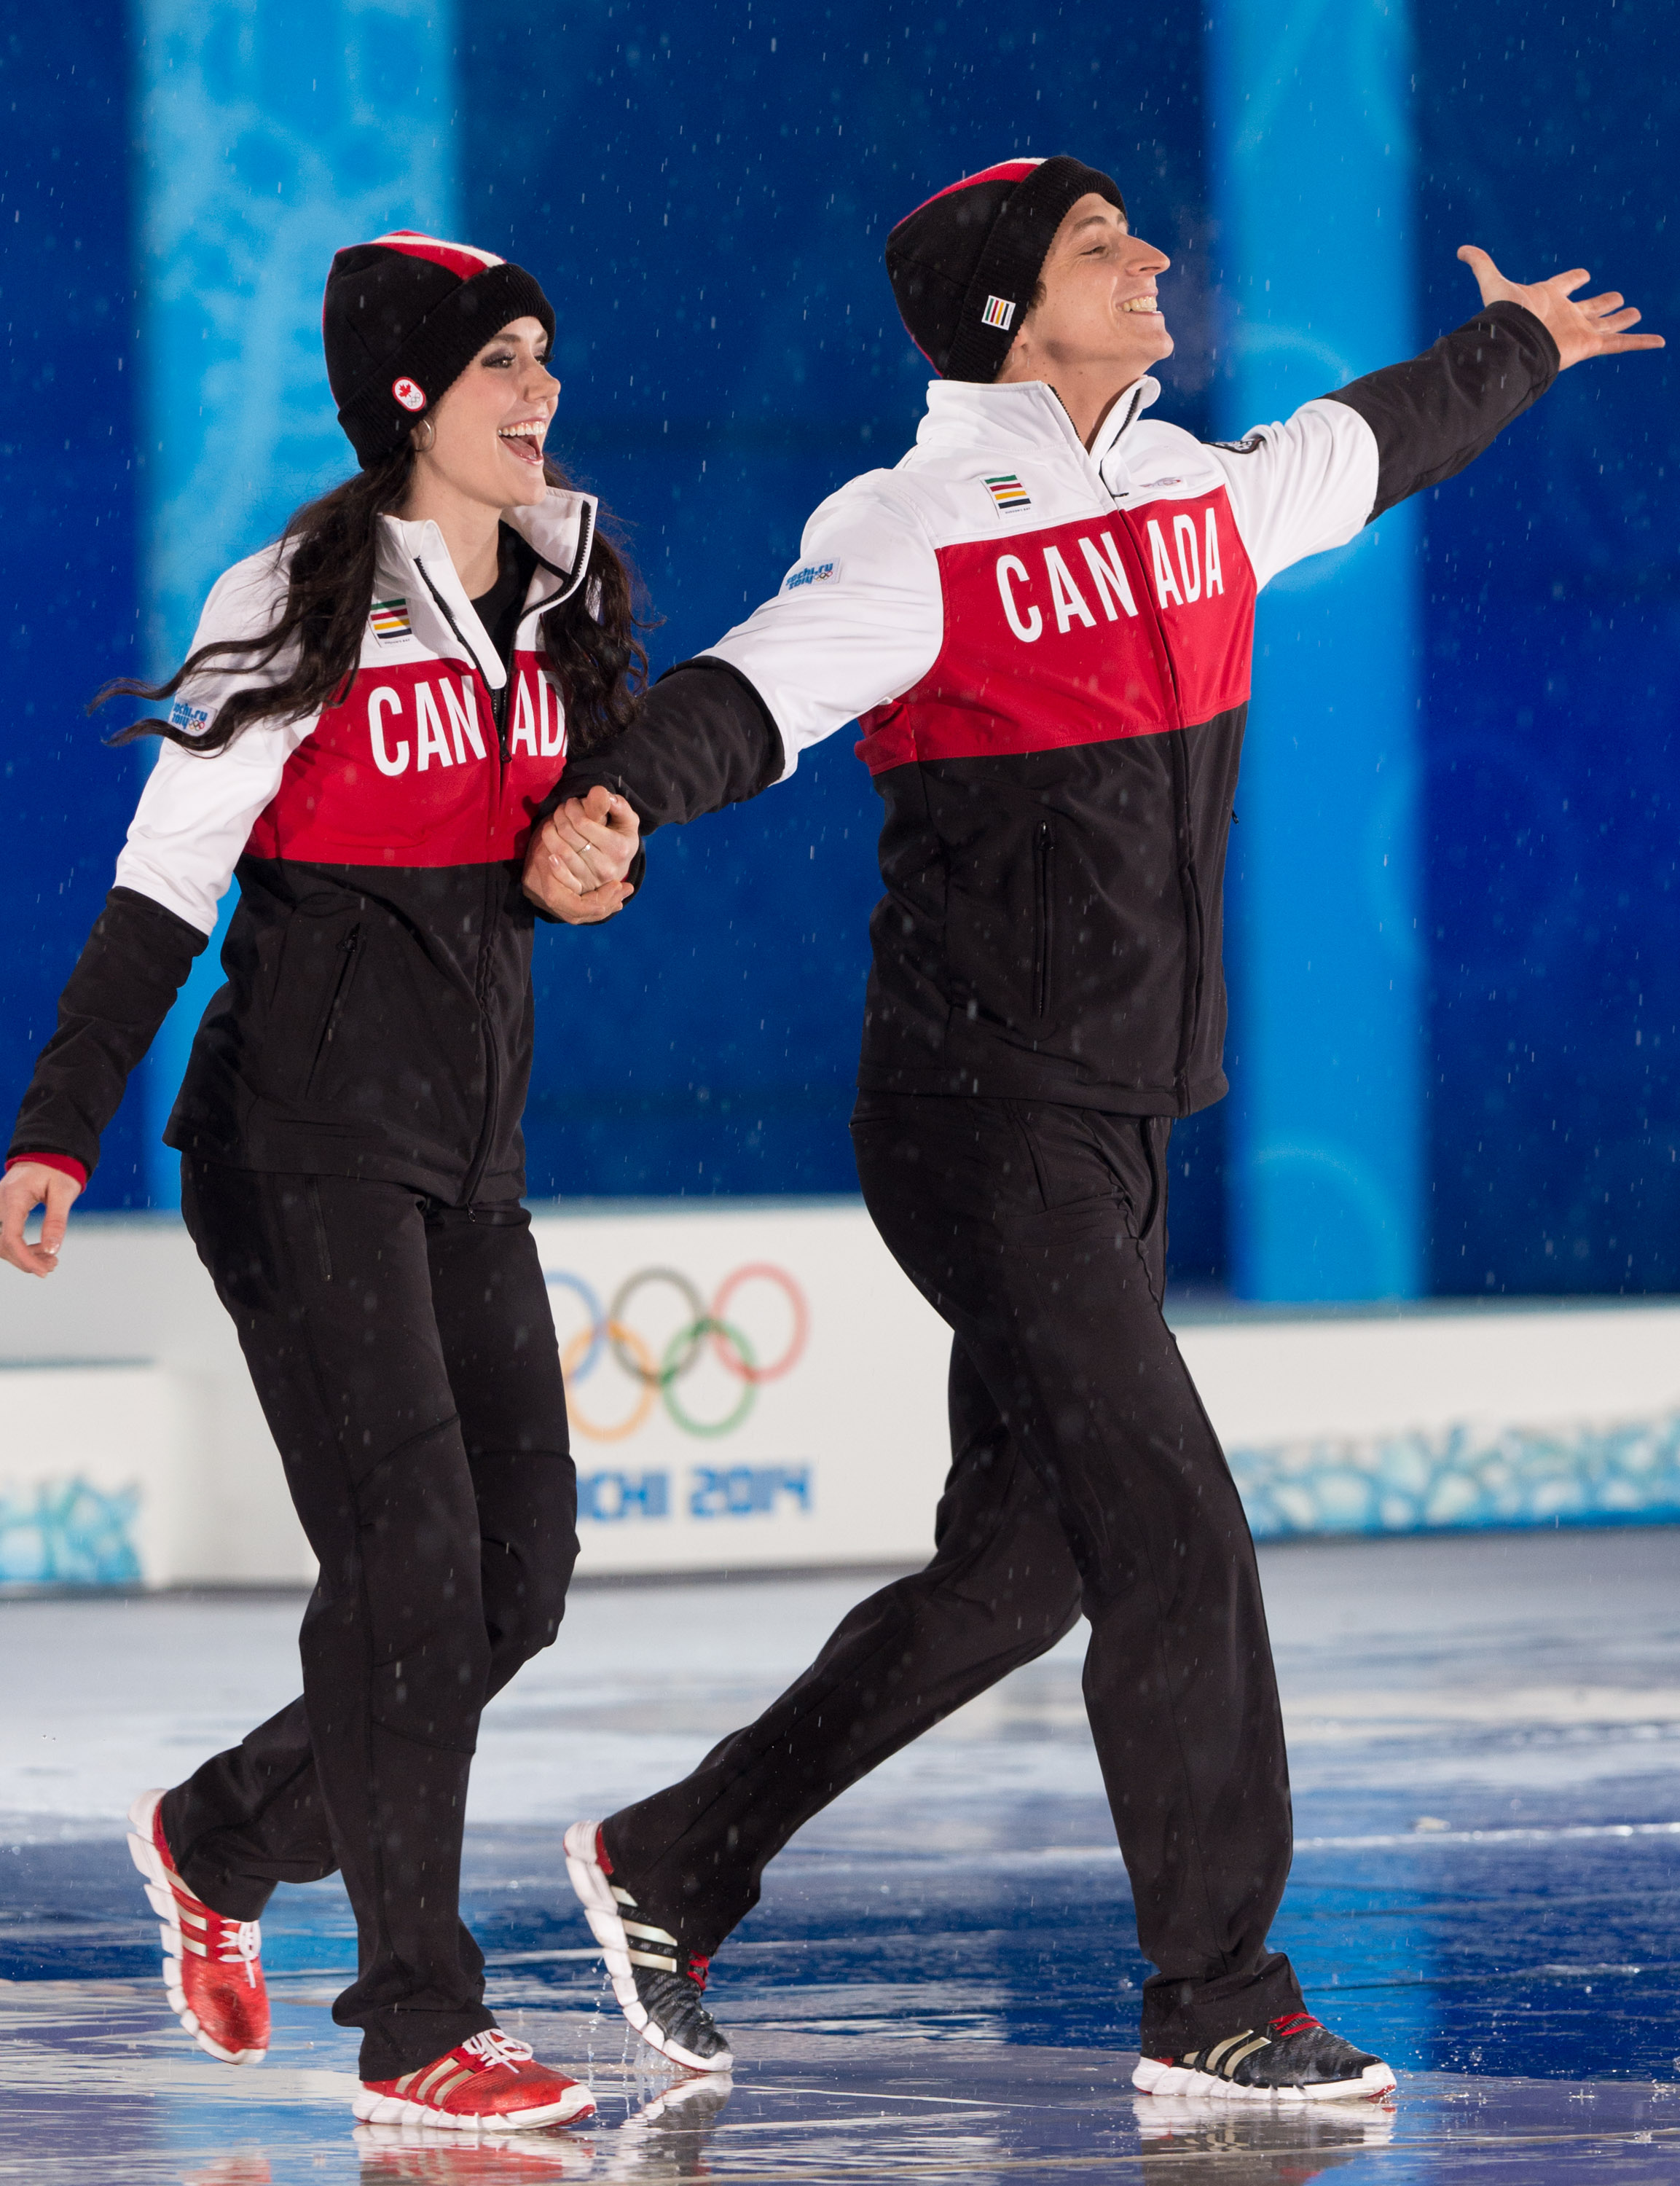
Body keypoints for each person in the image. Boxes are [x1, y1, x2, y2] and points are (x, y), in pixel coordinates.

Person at [527, 155, 1661, 2101]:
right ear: (1000, 310)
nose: (1148, 262)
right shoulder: (908, 529)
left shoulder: (1192, 487)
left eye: (1137, 234)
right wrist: (616, 798)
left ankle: (676, 1855)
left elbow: (1366, 441)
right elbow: (747, 692)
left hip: (1118, 1119)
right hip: (979, 1115)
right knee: (1171, 1523)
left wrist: (1515, 346)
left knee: (1032, 1562)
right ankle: (1213, 1991)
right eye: (1095, 246)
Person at [1, 229, 641, 2130]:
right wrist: (56, 1120)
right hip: (294, 1143)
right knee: (408, 1567)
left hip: (468, 1144)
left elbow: (556, 838)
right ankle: (419, 2022)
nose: (540, 390)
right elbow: (163, 879)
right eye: (500, 360)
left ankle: (220, 1835)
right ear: (410, 395)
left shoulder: (564, 579)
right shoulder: (292, 595)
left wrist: (597, 862)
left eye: (545, 351)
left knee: (515, 1581)